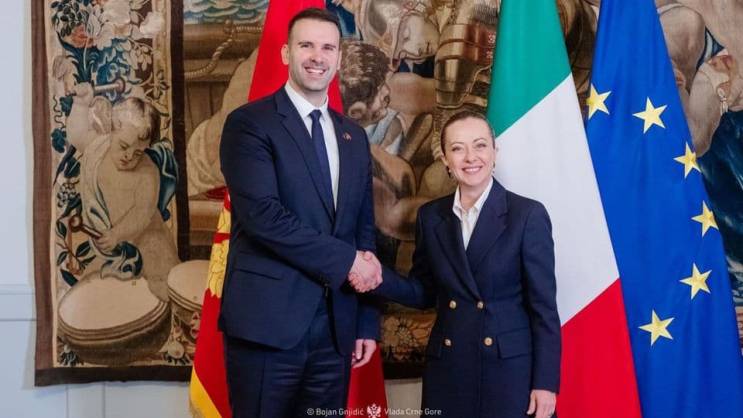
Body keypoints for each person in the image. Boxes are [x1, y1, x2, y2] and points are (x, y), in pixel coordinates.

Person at [218, 8, 383, 418]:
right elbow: (264, 218)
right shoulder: (249, 124)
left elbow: (363, 229)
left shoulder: (353, 137)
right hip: (266, 328)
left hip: (335, 330)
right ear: (285, 53)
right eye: (306, 45)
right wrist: (348, 262)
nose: (317, 56)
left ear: (339, 58)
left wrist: (365, 321)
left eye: (327, 47)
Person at [354, 111, 561, 418]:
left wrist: (545, 384)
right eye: (457, 148)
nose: (470, 157)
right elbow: (424, 292)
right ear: (445, 160)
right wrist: (378, 276)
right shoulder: (430, 216)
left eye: (480, 145)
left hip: (509, 372)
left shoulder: (527, 215)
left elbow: (544, 309)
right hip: (449, 368)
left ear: (494, 152)